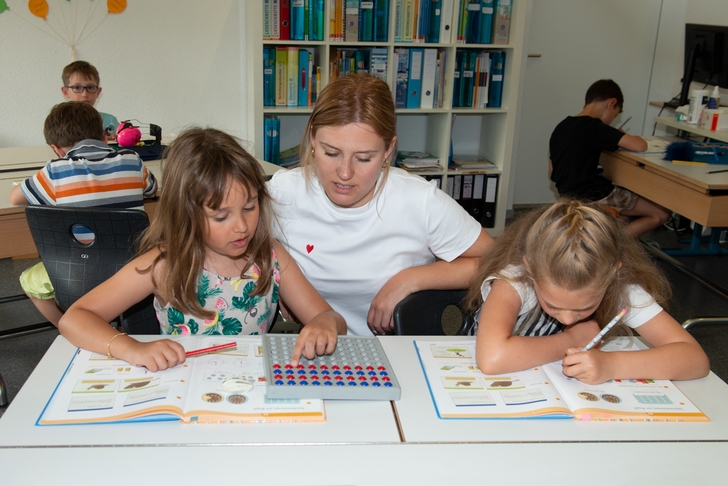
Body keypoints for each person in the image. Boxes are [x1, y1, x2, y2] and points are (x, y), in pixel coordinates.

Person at [59, 127, 346, 371]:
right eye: (221, 217)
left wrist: (324, 324)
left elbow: (331, 318)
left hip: (250, 386)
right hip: (182, 386)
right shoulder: (164, 264)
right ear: (186, 214)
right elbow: (75, 318)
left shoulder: (270, 256)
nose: (242, 227)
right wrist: (131, 348)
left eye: (249, 207)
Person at [267, 74, 493, 336]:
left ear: (388, 150)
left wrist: (412, 279)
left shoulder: (419, 202)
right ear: (313, 138)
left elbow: (497, 262)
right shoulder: (282, 193)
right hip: (313, 347)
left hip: (397, 348)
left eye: (363, 158)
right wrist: (275, 281)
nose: (344, 172)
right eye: (331, 153)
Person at [465, 199, 709, 385]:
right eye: (552, 305)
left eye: (584, 308)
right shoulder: (515, 280)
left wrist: (611, 365)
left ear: (613, 274)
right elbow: (492, 358)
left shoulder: (619, 287)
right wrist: (573, 339)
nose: (568, 319)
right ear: (530, 268)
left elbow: (695, 360)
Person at [9, 101, 157, 326]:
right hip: (134, 264)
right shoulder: (132, 160)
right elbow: (152, 189)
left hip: (77, 271)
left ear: (56, 148)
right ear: (105, 136)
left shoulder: (53, 172)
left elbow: (15, 198)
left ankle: (73, 328)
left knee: (29, 280)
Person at [549, 79, 670, 237]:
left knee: (624, 213)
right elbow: (641, 145)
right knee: (661, 214)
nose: (612, 120)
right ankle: (612, 245)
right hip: (595, 195)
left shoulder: (562, 126)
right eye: (615, 114)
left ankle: (606, 232)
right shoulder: (596, 127)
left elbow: (552, 168)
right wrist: (619, 133)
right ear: (611, 103)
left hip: (567, 195)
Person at [61, 60, 119, 139]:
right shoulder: (60, 122)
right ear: (66, 92)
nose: (85, 94)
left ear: (98, 92)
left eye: (90, 87)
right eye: (77, 87)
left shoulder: (110, 121)